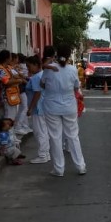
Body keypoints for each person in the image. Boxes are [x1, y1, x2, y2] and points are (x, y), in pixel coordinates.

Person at [37, 44, 86, 177]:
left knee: (55, 137)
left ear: (56, 55)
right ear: (70, 55)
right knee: (73, 136)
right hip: (69, 105)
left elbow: (42, 84)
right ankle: (80, 166)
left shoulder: (49, 69)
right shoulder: (73, 69)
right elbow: (76, 87)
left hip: (52, 106)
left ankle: (59, 168)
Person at [25, 56, 50, 164]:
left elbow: (37, 93)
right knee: (43, 131)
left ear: (36, 65)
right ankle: (46, 154)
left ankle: (43, 155)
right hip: (43, 107)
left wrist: (30, 108)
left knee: (39, 132)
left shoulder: (36, 77)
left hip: (38, 108)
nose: (28, 68)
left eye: (29, 66)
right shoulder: (40, 75)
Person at [0, 50, 23, 128]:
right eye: (10, 57)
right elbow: (6, 82)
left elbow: (17, 75)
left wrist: (19, 78)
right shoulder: (0, 69)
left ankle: (11, 135)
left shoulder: (8, 67)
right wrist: (18, 80)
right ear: (6, 58)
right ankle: (8, 136)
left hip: (12, 95)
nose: (11, 58)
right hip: (6, 96)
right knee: (9, 117)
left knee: (13, 116)